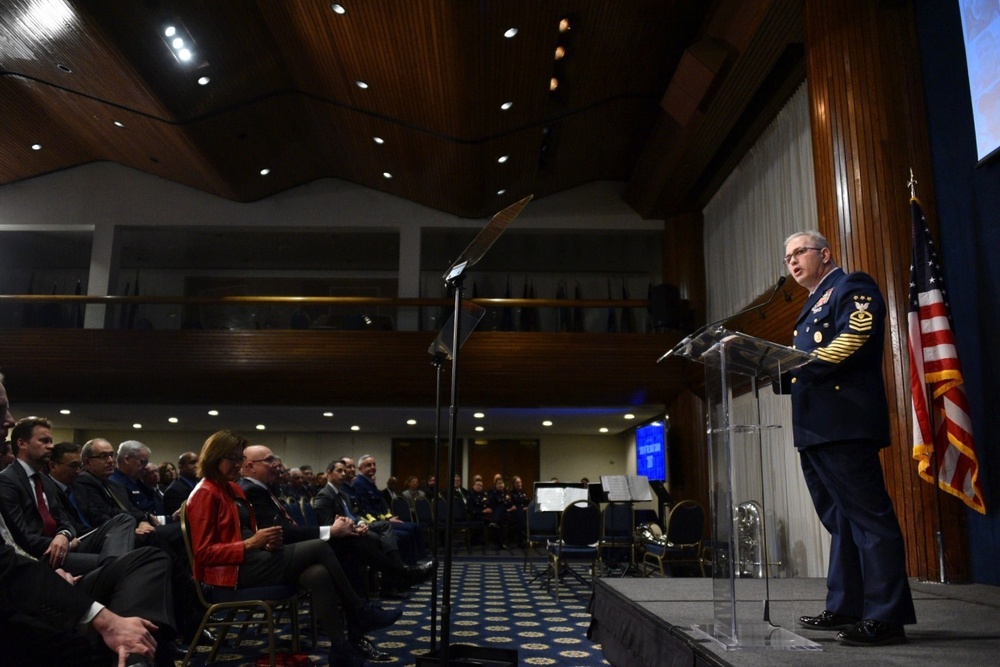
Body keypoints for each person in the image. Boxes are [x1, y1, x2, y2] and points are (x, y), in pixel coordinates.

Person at [779, 231, 916, 646]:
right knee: (841, 521)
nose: (792, 262)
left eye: (799, 252)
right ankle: (845, 605)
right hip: (816, 428)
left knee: (870, 520)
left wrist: (800, 368)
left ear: (824, 253)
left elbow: (855, 339)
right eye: (787, 258)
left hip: (845, 423)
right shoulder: (809, 303)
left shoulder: (851, 285)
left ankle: (886, 616)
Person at [0, 377, 176, 667]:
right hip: (36, 568)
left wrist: (65, 534)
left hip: (56, 554)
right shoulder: (9, 482)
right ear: (22, 444)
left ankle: (120, 588)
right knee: (134, 574)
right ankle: (136, 654)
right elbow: (19, 545)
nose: (9, 419)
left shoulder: (44, 480)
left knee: (147, 554)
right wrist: (103, 618)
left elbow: (64, 521)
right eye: (1, 409)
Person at [185, 430, 401, 666]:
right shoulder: (205, 493)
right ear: (214, 458)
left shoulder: (231, 488)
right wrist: (251, 543)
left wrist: (265, 541)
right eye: (233, 459)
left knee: (317, 574)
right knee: (320, 548)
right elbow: (203, 554)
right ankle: (361, 609)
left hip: (252, 560)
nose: (239, 465)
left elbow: (243, 532)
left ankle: (341, 649)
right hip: (230, 575)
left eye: (240, 459)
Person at [162, 451, 198, 517]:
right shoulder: (173, 491)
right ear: (181, 467)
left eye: (199, 462)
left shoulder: (200, 483)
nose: (197, 466)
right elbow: (179, 521)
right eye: (192, 463)